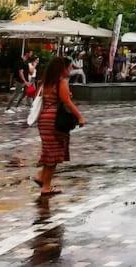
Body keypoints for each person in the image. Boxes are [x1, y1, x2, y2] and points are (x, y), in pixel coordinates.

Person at [34, 57, 85, 196]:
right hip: (54, 120)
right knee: (53, 153)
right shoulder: (61, 81)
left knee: (50, 151)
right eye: (69, 67)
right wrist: (79, 116)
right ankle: (46, 186)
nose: (71, 69)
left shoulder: (46, 83)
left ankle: (41, 177)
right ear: (62, 68)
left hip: (44, 118)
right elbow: (67, 101)